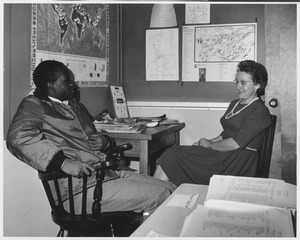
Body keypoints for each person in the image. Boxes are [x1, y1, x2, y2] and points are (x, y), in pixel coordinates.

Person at [6, 60, 175, 217]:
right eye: (67, 80)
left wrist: (105, 141)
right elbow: (17, 138)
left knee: (170, 188)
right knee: (161, 195)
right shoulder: (35, 105)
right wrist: (62, 162)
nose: (73, 84)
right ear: (51, 85)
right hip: (77, 189)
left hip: (104, 174)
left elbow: (90, 138)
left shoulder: (73, 105)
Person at [154, 60, 271, 186]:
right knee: (172, 154)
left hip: (236, 161)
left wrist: (209, 145)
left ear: (257, 85)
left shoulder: (259, 111)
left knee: (172, 155)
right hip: (224, 153)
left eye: (243, 82)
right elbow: (225, 135)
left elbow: (235, 144)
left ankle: (154, 196)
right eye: (236, 81)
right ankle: (157, 195)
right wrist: (203, 143)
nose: (238, 86)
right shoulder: (234, 104)